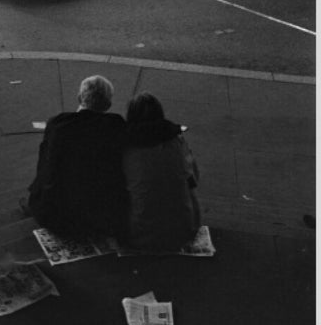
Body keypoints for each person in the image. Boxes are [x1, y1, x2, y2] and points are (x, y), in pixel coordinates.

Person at [27, 75, 127, 239]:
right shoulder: (115, 125)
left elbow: (44, 166)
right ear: (108, 104)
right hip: (101, 217)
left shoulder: (58, 124)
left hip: (55, 215)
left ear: (79, 98)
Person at [122, 92, 200, 252]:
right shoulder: (177, 140)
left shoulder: (126, 145)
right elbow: (194, 178)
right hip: (183, 231)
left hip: (139, 235)